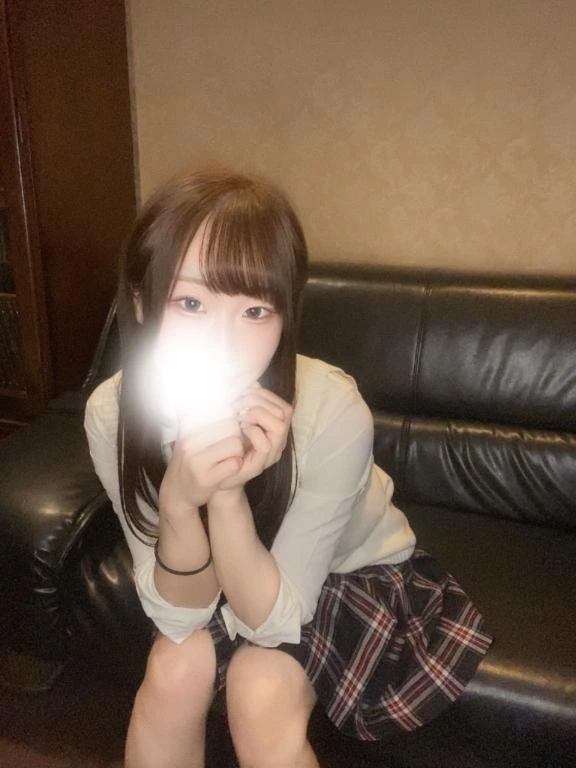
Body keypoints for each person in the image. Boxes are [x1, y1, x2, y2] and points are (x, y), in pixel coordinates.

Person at [84, 168, 492, 768]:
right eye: (191, 302)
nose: (224, 343)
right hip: (217, 570)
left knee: (260, 689)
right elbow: (178, 613)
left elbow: (269, 622)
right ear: (141, 303)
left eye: (255, 311)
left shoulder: (329, 408)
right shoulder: (114, 414)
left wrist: (226, 494)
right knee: (174, 669)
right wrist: (178, 501)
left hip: (346, 569)